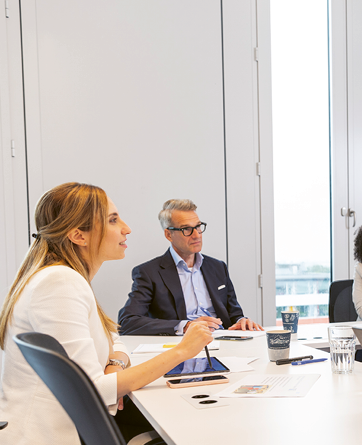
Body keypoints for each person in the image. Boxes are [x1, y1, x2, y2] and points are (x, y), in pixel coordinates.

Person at [0, 183, 213, 445]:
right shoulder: (60, 282)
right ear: (79, 235)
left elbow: (113, 338)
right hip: (50, 436)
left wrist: (116, 365)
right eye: (113, 220)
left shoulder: (64, 276)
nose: (126, 228)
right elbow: (96, 391)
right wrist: (182, 351)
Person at [118, 199, 263, 335]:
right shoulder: (149, 272)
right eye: (186, 229)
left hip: (222, 340)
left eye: (198, 227)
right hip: (182, 344)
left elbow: (234, 314)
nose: (196, 235)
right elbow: (127, 321)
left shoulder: (218, 267)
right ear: (169, 234)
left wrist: (241, 321)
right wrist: (185, 326)